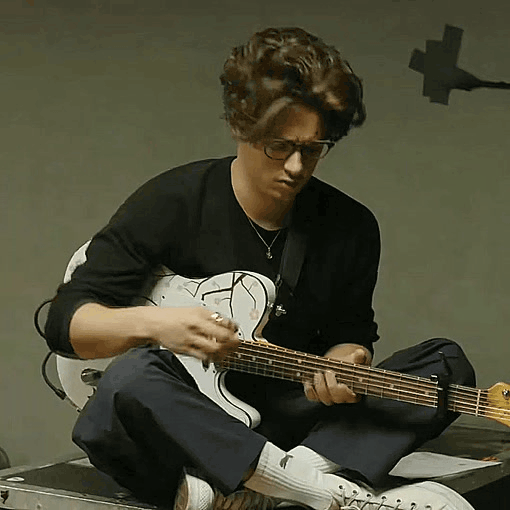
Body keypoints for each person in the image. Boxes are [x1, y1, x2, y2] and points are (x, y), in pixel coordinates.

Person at [44, 27, 476, 510]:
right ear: (240, 127)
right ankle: (315, 490)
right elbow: (66, 325)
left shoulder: (351, 225)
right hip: (190, 425)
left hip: (293, 425)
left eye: (312, 148)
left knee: (445, 363)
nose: (295, 167)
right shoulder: (173, 200)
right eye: (279, 146)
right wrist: (159, 325)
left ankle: (277, 482)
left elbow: (352, 333)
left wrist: (347, 359)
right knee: (129, 379)